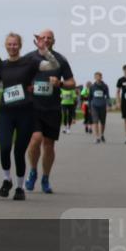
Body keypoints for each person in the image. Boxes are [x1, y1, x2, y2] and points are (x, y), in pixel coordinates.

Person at [0, 33, 59, 200]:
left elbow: (53, 65)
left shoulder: (30, 62)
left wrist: (45, 51)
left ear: (20, 45)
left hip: (25, 113)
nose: (12, 47)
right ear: (5, 45)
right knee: (5, 147)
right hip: (6, 112)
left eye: (15, 44)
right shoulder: (1, 65)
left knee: (19, 152)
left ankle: (19, 187)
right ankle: (7, 179)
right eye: (9, 44)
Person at [24, 29, 75, 194]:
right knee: (35, 138)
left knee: (49, 144)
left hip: (52, 108)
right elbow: (18, 77)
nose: (45, 40)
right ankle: (32, 171)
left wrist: (60, 83)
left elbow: (72, 82)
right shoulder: (29, 58)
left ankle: (45, 177)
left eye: (49, 38)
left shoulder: (60, 60)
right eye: (43, 37)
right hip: (33, 107)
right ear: (38, 39)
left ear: (53, 41)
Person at [89, 72, 110, 144]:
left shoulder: (105, 86)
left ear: (101, 77)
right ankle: (97, 137)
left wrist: (108, 105)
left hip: (102, 105)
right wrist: (89, 107)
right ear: (94, 78)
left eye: (99, 76)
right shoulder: (92, 87)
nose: (98, 78)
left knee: (103, 122)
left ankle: (102, 135)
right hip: (94, 105)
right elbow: (90, 97)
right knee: (95, 121)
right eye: (96, 76)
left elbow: (107, 96)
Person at [118, 65, 126, 144]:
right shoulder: (121, 80)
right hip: (125, 102)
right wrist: (118, 102)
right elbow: (118, 92)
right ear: (124, 70)